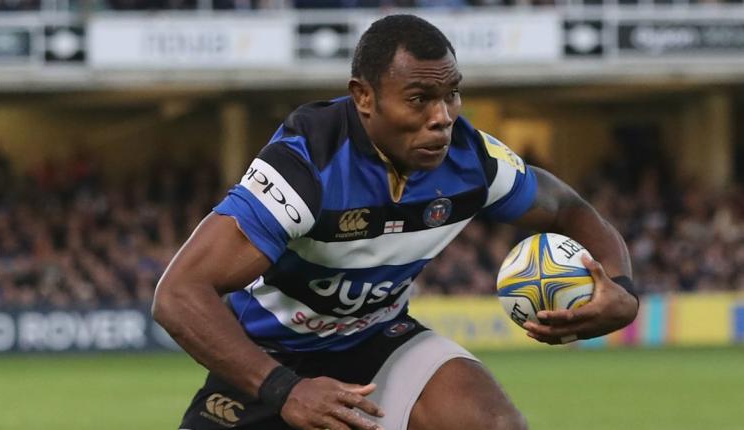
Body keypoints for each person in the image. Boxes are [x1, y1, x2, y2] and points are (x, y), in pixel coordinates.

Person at [153, 14, 639, 430]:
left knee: (492, 424)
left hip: (377, 340)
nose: (442, 117)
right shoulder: (307, 164)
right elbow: (178, 293)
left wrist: (620, 287)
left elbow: (567, 208)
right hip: (269, 357)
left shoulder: (471, 160)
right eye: (420, 98)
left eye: (452, 94)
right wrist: (286, 389)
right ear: (364, 97)